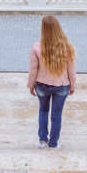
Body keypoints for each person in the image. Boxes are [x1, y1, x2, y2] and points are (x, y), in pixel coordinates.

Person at [27, 15, 76, 149]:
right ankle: (53, 143)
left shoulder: (36, 47)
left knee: (43, 111)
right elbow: (71, 70)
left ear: (43, 29)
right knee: (57, 114)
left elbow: (33, 69)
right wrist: (72, 85)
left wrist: (31, 85)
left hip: (41, 85)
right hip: (62, 86)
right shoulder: (67, 47)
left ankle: (43, 141)